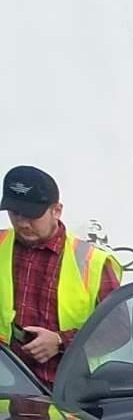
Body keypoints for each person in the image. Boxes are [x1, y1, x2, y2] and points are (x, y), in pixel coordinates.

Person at [0, 167, 119, 390]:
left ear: (57, 210)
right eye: (15, 213)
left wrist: (60, 341)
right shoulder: (1, 245)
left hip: (69, 392)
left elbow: (118, 329)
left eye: (32, 215)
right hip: (8, 388)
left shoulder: (91, 261)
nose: (23, 223)